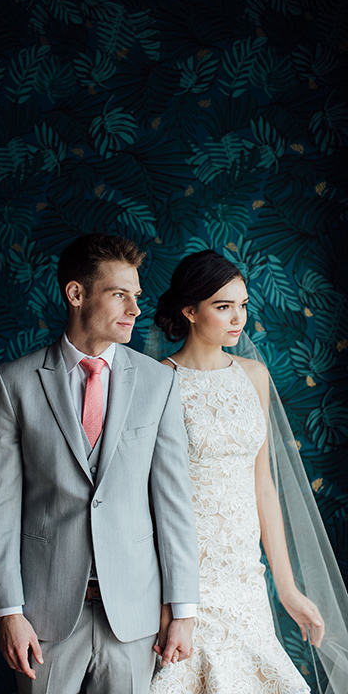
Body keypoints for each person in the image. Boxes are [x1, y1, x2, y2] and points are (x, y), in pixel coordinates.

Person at [0, 233, 200, 694]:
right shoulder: (14, 383)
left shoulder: (158, 384)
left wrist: (183, 611)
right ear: (76, 294)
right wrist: (9, 612)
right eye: (120, 295)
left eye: (136, 297)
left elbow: (175, 506)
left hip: (134, 617)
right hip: (44, 617)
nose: (135, 310)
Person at [150, 249, 348, 693]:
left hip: (244, 577)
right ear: (189, 311)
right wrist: (168, 603)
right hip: (187, 579)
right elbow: (149, 497)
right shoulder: (158, 381)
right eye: (223, 306)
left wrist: (287, 587)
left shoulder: (254, 375)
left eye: (242, 305)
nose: (238, 318)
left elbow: (264, 487)